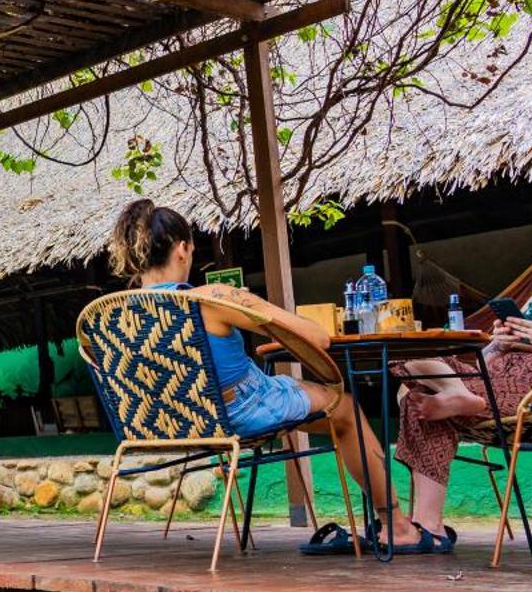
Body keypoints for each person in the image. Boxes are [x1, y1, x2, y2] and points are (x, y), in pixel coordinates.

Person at [108, 199, 430, 554]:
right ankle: (398, 527)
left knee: (311, 404)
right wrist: (248, 307)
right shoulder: (212, 298)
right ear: (183, 249)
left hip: (162, 423)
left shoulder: (116, 315)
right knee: (346, 409)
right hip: (240, 410)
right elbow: (317, 338)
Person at [392, 204, 532, 545]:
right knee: (409, 362)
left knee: (418, 403)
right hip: (501, 373)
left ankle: (427, 525)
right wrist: (499, 343)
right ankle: (431, 528)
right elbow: (491, 356)